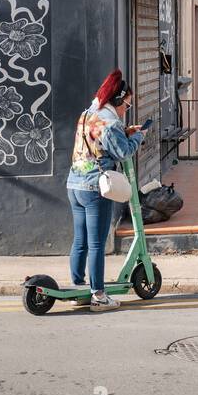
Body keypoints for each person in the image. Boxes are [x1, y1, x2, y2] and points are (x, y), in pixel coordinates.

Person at [66, 69, 147, 311]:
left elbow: (98, 138)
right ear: (118, 101)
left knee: (80, 240)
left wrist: (126, 131)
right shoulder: (110, 122)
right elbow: (122, 152)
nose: (126, 110)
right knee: (98, 243)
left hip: (75, 184)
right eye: (127, 105)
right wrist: (139, 136)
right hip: (95, 188)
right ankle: (99, 296)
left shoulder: (88, 113)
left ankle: (77, 285)